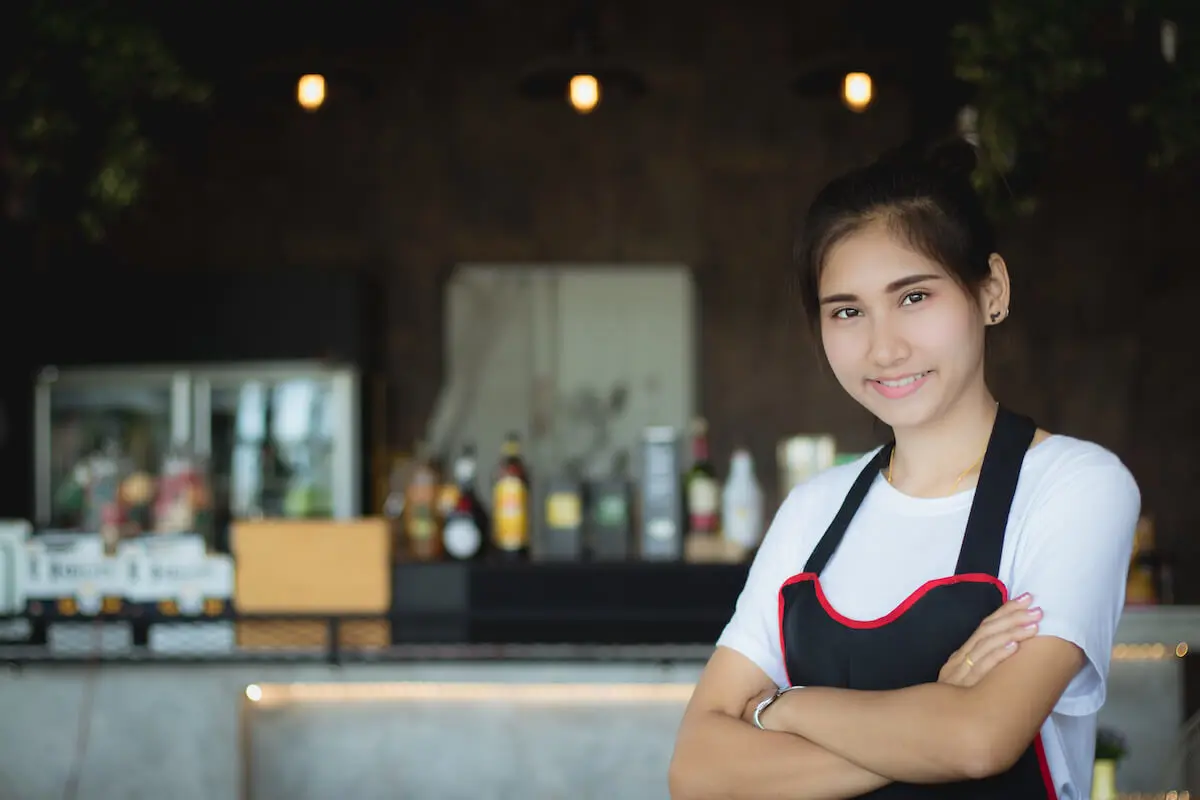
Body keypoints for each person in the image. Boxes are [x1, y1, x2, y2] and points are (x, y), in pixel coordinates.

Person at [667, 140, 1141, 800]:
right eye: (848, 311)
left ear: (991, 291)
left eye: (914, 297)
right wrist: (932, 714)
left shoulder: (1074, 487)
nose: (884, 347)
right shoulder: (815, 508)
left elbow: (980, 741)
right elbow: (697, 771)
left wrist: (781, 708)